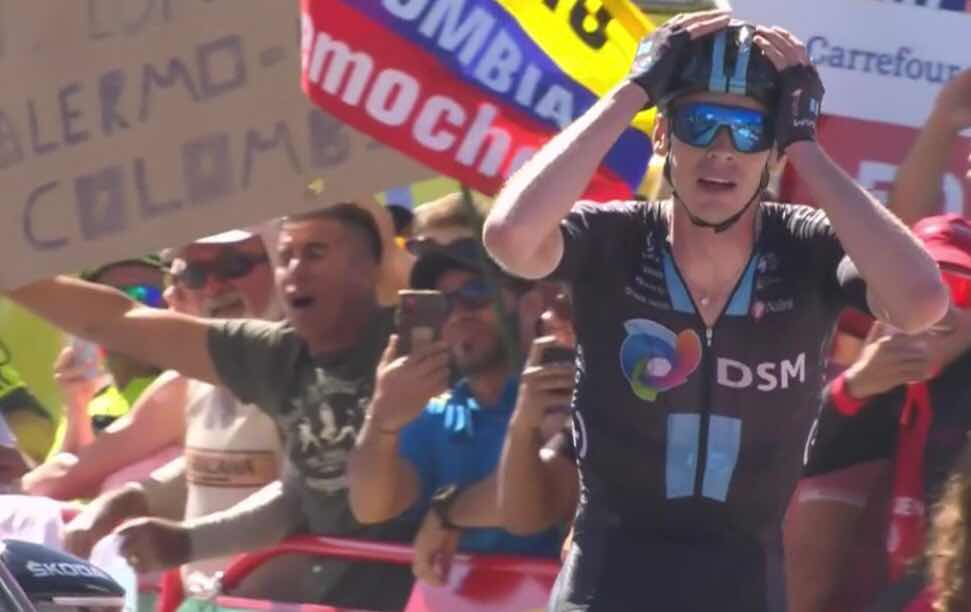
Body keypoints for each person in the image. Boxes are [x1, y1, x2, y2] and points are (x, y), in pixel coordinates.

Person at [481, 10, 947, 611]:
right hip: (605, 578)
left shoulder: (805, 244)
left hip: (745, 584)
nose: (721, 150)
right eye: (698, 124)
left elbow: (921, 303)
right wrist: (631, 93)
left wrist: (806, 146)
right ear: (662, 135)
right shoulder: (617, 236)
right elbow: (511, 238)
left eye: (749, 132)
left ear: (774, 152)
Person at [4, 203, 418, 610]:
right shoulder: (271, 356)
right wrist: (10, 272)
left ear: (372, 266)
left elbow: (351, 502)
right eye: (286, 256)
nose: (296, 270)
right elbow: (118, 320)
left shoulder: (414, 345)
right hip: (229, 600)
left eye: (315, 253)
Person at [59, 229, 284, 596]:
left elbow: (297, 496)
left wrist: (188, 540)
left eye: (234, 265)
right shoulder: (200, 376)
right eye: (195, 274)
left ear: (280, 263)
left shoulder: (308, 365)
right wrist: (123, 500)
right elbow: (212, 469)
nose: (214, 286)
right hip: (207, 599)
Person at [348, 238, 556, 586]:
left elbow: (541, 492)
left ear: (530, 304)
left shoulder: (563, 389)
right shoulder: (436, 414)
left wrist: (448, 512)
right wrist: (381, 420)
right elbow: (370, 507)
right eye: (442, 303)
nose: (458, 313)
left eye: (477, 291)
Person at [55, 255, 166, 455]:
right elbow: (58, 472)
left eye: (146, 296)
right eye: (108, 301)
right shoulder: (88, 401)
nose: (130, 312)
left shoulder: (196, 387)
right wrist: (77, 405)